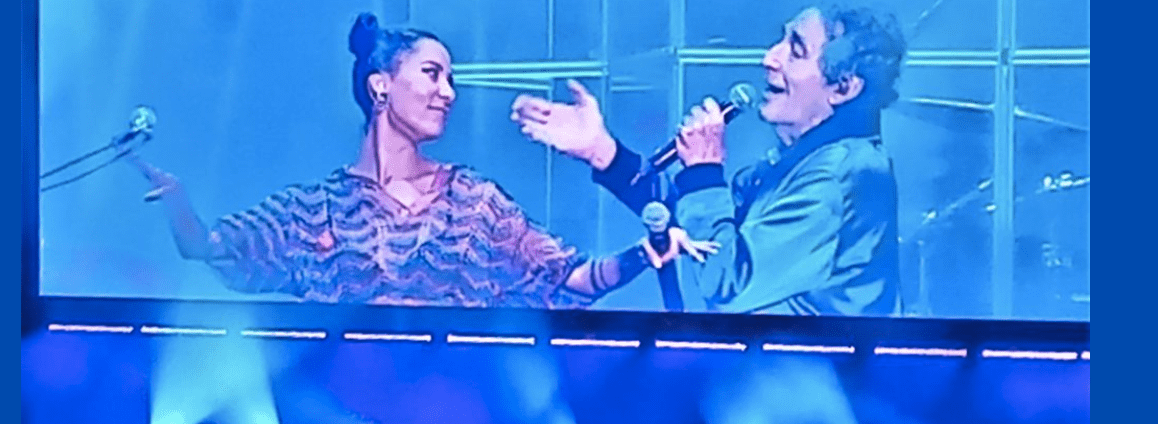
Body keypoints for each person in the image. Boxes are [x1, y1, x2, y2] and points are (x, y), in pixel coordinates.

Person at [131, 13, 715, 308]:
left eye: (452, 78)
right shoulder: (316, 209)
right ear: (382, 86)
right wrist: (178, 203)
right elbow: (212, 250)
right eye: (432, 74)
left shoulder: (475, 203)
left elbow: (569, 279)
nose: (449, 92)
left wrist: (645, 254)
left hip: (464, 412)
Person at [512, 5, 905, 316]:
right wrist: (602, 151)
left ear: (843, 87)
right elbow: (703, 229)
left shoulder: (844, 175)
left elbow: (729, 284)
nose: (770, 58)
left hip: (826, 394)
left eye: (795, 50)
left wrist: (703, 172)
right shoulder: (800, 165)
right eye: (780, 41)